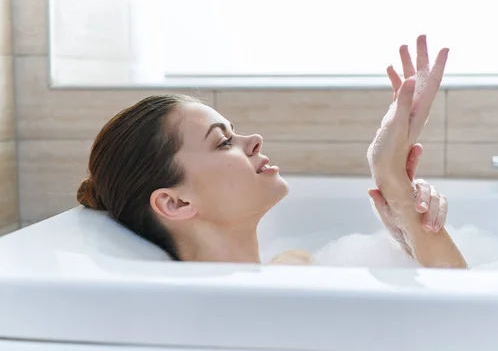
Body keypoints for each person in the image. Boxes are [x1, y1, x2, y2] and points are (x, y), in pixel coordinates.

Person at [76, 35, 467, 269]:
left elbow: (469, 313)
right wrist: (392, 184)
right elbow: (468, 327)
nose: (255, 139)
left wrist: (397, 190)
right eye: (223, 142)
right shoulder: (228, 322)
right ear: (176, 203)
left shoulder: (290, 268)